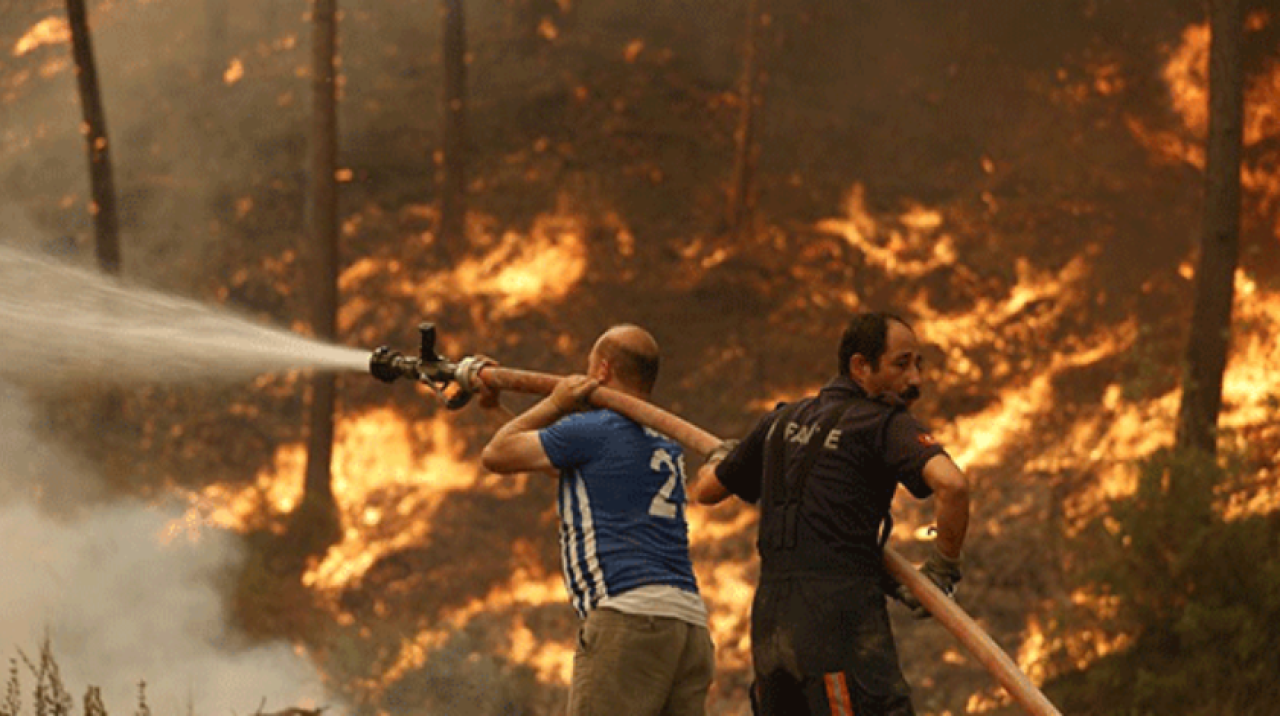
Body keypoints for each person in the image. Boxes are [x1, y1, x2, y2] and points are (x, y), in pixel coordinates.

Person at [688, 311, 970, 716]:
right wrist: (943, 569)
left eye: (919, 365)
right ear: (860, 366)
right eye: (901, 364)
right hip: (838, 623)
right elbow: (954, 486)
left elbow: (708, 489)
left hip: (771, 625)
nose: (916, 381)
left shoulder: (779, 421)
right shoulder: (883, 422)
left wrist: (723, 458)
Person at [480, 324, 715, 716]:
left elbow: (496, 454)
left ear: (602, 371)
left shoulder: (593, 430)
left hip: (629, 620)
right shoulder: (661, 442)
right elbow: (542, 459)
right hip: (687, 628)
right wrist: (491, 408)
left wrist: (554, 403)